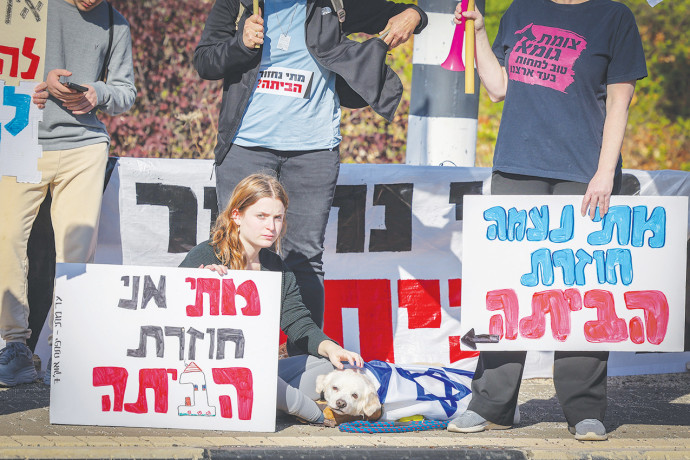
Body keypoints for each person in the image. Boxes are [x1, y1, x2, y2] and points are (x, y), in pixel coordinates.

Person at [447, 0, 647, 441]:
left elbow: (619, 101)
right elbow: (498, 87)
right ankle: (491, 405)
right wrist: (478, 32)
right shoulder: (520, 11)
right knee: (506, 290)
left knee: (580, 291)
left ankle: (584, 410)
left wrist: (604, 171)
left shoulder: (614, 16)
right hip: (515, 167)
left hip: (584, 174)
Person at [193, 0, 427, 354]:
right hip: (246, 147)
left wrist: (416, 14)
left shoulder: (334, 4)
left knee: (304, 258)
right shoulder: (238, 3)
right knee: (235, 251)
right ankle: (232, 362)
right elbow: (205, 61)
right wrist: (240, 44)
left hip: (315, 151)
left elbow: (396, 13)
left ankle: (303, 364)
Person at [0, 0, 136, 387]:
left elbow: (126, 92)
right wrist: (29, 85)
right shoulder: (20, 8)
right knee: (6, 238)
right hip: (19, 135)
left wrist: (97, 93)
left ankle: (67, 348)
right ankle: (14, 345)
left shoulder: (115, 23)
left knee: (77, 251)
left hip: (84, 146)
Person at [179, 173, 362, 424]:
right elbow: (171, 318)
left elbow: (299, 322)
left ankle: (263, 401)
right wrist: (196, 285)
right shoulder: (205, 254)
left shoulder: (277, 267)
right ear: (237, 215)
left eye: (278, 217)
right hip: (210, 370)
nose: (271, 227)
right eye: (261, 216)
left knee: (330, 369)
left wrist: (333, 349)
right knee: (258, 376)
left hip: (262, 369)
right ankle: (302, 409)